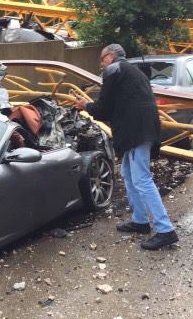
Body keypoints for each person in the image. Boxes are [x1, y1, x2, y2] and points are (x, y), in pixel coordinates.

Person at [74, 44, 178, 250]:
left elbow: (104, 109)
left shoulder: (113, 70)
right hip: (142, 129)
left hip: (136, 131)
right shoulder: (131, 70)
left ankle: (166, 230)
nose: (101, 64)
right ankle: (140, 221)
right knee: (129, 174)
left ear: (110, 57)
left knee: (141, 178)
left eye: (102, 59)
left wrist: (86, 105)